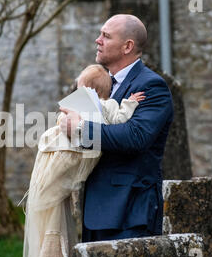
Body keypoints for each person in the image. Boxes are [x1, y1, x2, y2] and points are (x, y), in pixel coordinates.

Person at [22, 64, 145, 257]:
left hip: (75, 152)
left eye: (80, 89)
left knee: (51, 210)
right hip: (68, 150)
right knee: (50, 204)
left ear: (93, 93)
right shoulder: (101, 106)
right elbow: (121, 116)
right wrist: (130, 103)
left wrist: (129, 103)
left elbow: (119, 119)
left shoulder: (106, 106)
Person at [59, 14, 174, 242]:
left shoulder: (152, 86)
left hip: (130, 212)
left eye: (106, 36)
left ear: (127, 46)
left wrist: (81, 128)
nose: (97, 40)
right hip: (94, 208)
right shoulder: (101, 83)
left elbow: (136, 136)